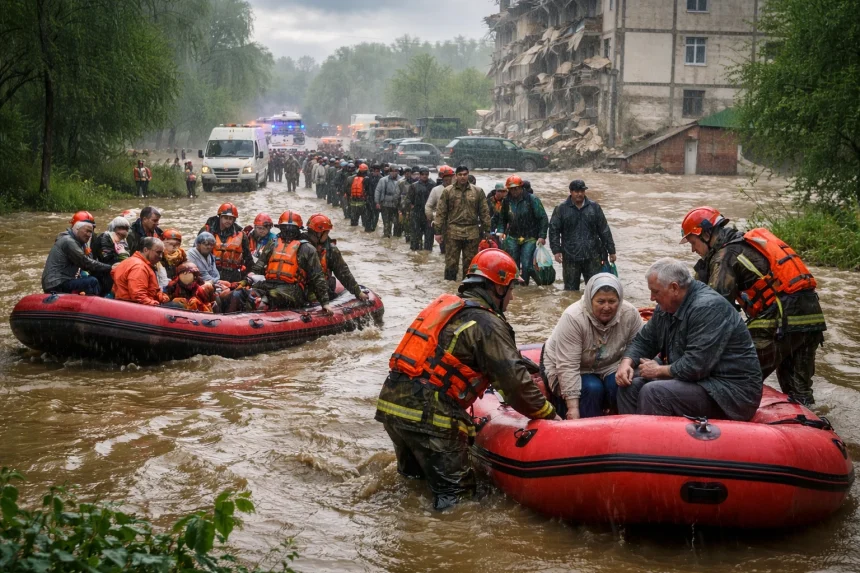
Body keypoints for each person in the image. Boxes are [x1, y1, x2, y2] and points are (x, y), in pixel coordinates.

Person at [375, 249, 558, 510]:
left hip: (394, 405)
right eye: (511, 289)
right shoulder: (487, 323)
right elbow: (515, 385)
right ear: (498, 288)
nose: (513, 297)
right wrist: (549, 415)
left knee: (414, 486)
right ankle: (444, 536)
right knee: (457, 502)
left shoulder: (451, 308)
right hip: (430, 415)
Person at [680, 207, 826, 406]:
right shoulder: (744, 244)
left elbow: (715, 308)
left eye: (692, 242)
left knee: (736, 373)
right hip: (811, 318)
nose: (692, 250)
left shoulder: (724, 256)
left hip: (781, 321)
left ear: (705, 234)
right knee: (799, 392)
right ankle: (809, 420)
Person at [615, 258, 763, 421]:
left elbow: (696, 365)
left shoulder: (707, 308)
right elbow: (645, 340)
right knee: (629, 387)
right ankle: (633, 435)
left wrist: (659, 370)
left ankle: (654, 437)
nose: (651, 298)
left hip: (730, 393)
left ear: (674, 288)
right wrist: (627, 362)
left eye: (655, 292)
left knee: (654, 393)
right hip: (698, 381)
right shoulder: (665, 308)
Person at [543, 273, 643, 419]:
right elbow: (568, 365)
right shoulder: (574, 317)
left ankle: (619, 424)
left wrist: (629, 364)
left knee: (618, 383)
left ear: (620, 300)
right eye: (600, 301)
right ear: (590, 300)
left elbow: (639, 346)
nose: (607, 307)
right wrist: (573, 408)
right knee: (592, 388)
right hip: (572, 366)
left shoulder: (629, 313)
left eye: (612, 301)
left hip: (609, 364)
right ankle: (588, 427)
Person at [248, 211, 332, 312]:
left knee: (273, 295)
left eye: (292, 228)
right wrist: (247, 280)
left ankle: (265, 303)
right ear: (280, 228)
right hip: (269, 283)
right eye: (285, 228)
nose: (288, 231)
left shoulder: (306, 248)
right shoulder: (273, 243)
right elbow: (259, 266)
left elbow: (317, 276)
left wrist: (325, 303)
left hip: (292, 289)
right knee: (243, 294)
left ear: (298, 229)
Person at [548, 180, 616, 291]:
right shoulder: (561, 209)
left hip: (592, 256)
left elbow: (604, 230)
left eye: (582, 191)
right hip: (570, 257)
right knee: (570, 291)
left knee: (595, 289)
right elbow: (553, 230)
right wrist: (556, 250)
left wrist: (611, 251)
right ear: (571, 192)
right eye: (576, 191)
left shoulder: (594, 207)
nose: (579, 194)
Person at [434, 165, 492, 281]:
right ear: (456, 176)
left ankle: (467, 287)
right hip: (453, 232)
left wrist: (487, 230)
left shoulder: (477, 191)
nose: (462, 177)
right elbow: (441, 212)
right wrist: (437, 232)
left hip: (472, 233)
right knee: (451, 264)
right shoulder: (448, 191)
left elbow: (484, 212)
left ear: (468, 175)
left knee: (470, 264)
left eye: (465, 174)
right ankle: (449, 287)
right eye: (460, 174)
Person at [41, 212, 113, 296]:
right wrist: (110, 267)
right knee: (92, 281)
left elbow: (90, 261)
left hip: (60, 282)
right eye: (87, 231)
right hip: (56, 284)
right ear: (77, 228)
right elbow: (86, 263)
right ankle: (95, 302)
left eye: (91, 232)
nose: (89, 235)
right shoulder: (68, 241)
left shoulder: (79, 242)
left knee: (94, 276)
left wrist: (86, 246)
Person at [496, 175, 549, 286]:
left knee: (526, 264)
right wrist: (500, 232)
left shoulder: (532, 199)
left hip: (530, 237)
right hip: (513, 236)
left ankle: (525, 287)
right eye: (511, 189)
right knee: (512, 264)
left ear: (521, 187)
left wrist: (542, 236)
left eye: (516, 188)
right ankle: (514, 287)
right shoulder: (506, 201)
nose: (514, 191)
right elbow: (502, 219)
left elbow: (543, 218)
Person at [304, 214, 369, 302]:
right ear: (319, 233)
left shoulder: (329, 249)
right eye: (327, 232)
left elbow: (343, 272)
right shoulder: (304, 246)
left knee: (330, 283)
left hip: (306, 289)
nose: (327, 235)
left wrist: (357, 292)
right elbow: (343, 272)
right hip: (308, 289)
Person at [111, 237, 177, 307]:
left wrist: (162, 297)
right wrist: (156, 305)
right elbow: (138, 296)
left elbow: (150, 290)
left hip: (132, 304)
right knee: (176, 306)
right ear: (146, 250)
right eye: (158, 252)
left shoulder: (134, 262)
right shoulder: (139, 267)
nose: (160, 256)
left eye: (162, 253)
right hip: (133, 307)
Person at [200, 203, 254, 284]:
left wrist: (250, 275)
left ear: (234, 220)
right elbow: (196, 253)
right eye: (225, 218)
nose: (228, 221)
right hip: (211, 273)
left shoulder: (241, 235)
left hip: (234, 275)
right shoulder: (206, 231)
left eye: (231, 218)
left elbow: (248, 258)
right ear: (220, 217)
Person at [425, 165, 455, 254]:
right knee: (444, 249)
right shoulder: (436, 190)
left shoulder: (458, 189)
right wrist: (431, 218)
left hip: (456, 223)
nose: (447, 179)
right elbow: (428, 206)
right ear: (442, 178)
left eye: (449, 177)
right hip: (442, 223)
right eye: (445, 177)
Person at [405, 167, 435, 251]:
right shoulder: (414, 186)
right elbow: (408, 199)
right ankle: (415, 254)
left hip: (428, 215)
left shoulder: (433, 185)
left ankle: (427, 254)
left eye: (426, 174)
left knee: (429, 238)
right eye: (423, 174)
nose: (424, 176)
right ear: (420, 175)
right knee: (415, 238)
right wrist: (411, 206)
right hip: (416, 214)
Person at [375, 166, 402, 238]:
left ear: (397, 172)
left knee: (397, 223)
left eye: (395, 171)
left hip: (397, 205)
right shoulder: (383, 180)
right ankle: (387, 237)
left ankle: (396, 238)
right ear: (389, 172)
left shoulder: (402, 180)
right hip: (385, 204)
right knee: (386, 223)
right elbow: (378, 191)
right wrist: (377, 202)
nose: (393, 172)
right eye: (392, 171)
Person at [363, 164, 382, 232]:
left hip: (377, 200)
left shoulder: (381, 178)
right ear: (373, 171)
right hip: (369, 199)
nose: (377, 172)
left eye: (378, 171)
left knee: (376, 216)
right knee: (368, 215)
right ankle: (367, 230)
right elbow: (364, 188)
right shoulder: (367, 177)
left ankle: (373, 229)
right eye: (376, 171)